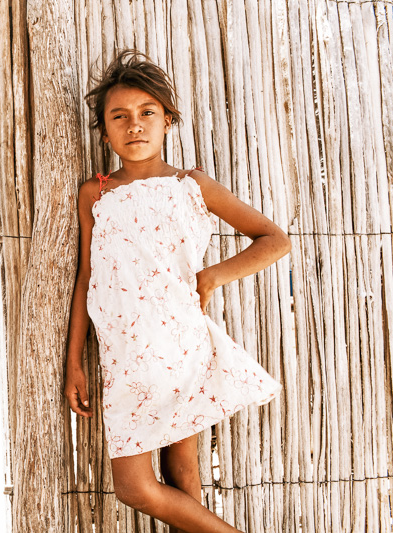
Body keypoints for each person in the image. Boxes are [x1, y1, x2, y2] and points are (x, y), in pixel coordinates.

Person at [64, 50, 291, 533]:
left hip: (179, 344)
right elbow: (87, 276)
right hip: (124, 353)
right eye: (119, 117)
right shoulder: (96, 193)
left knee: (161, 477)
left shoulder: (192, 186)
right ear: (104, 132)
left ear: (168, 121)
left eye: (148, 113)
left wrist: (212, 276)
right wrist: (73, 362)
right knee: (159, 479)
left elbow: (275, 239)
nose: (135, 126)